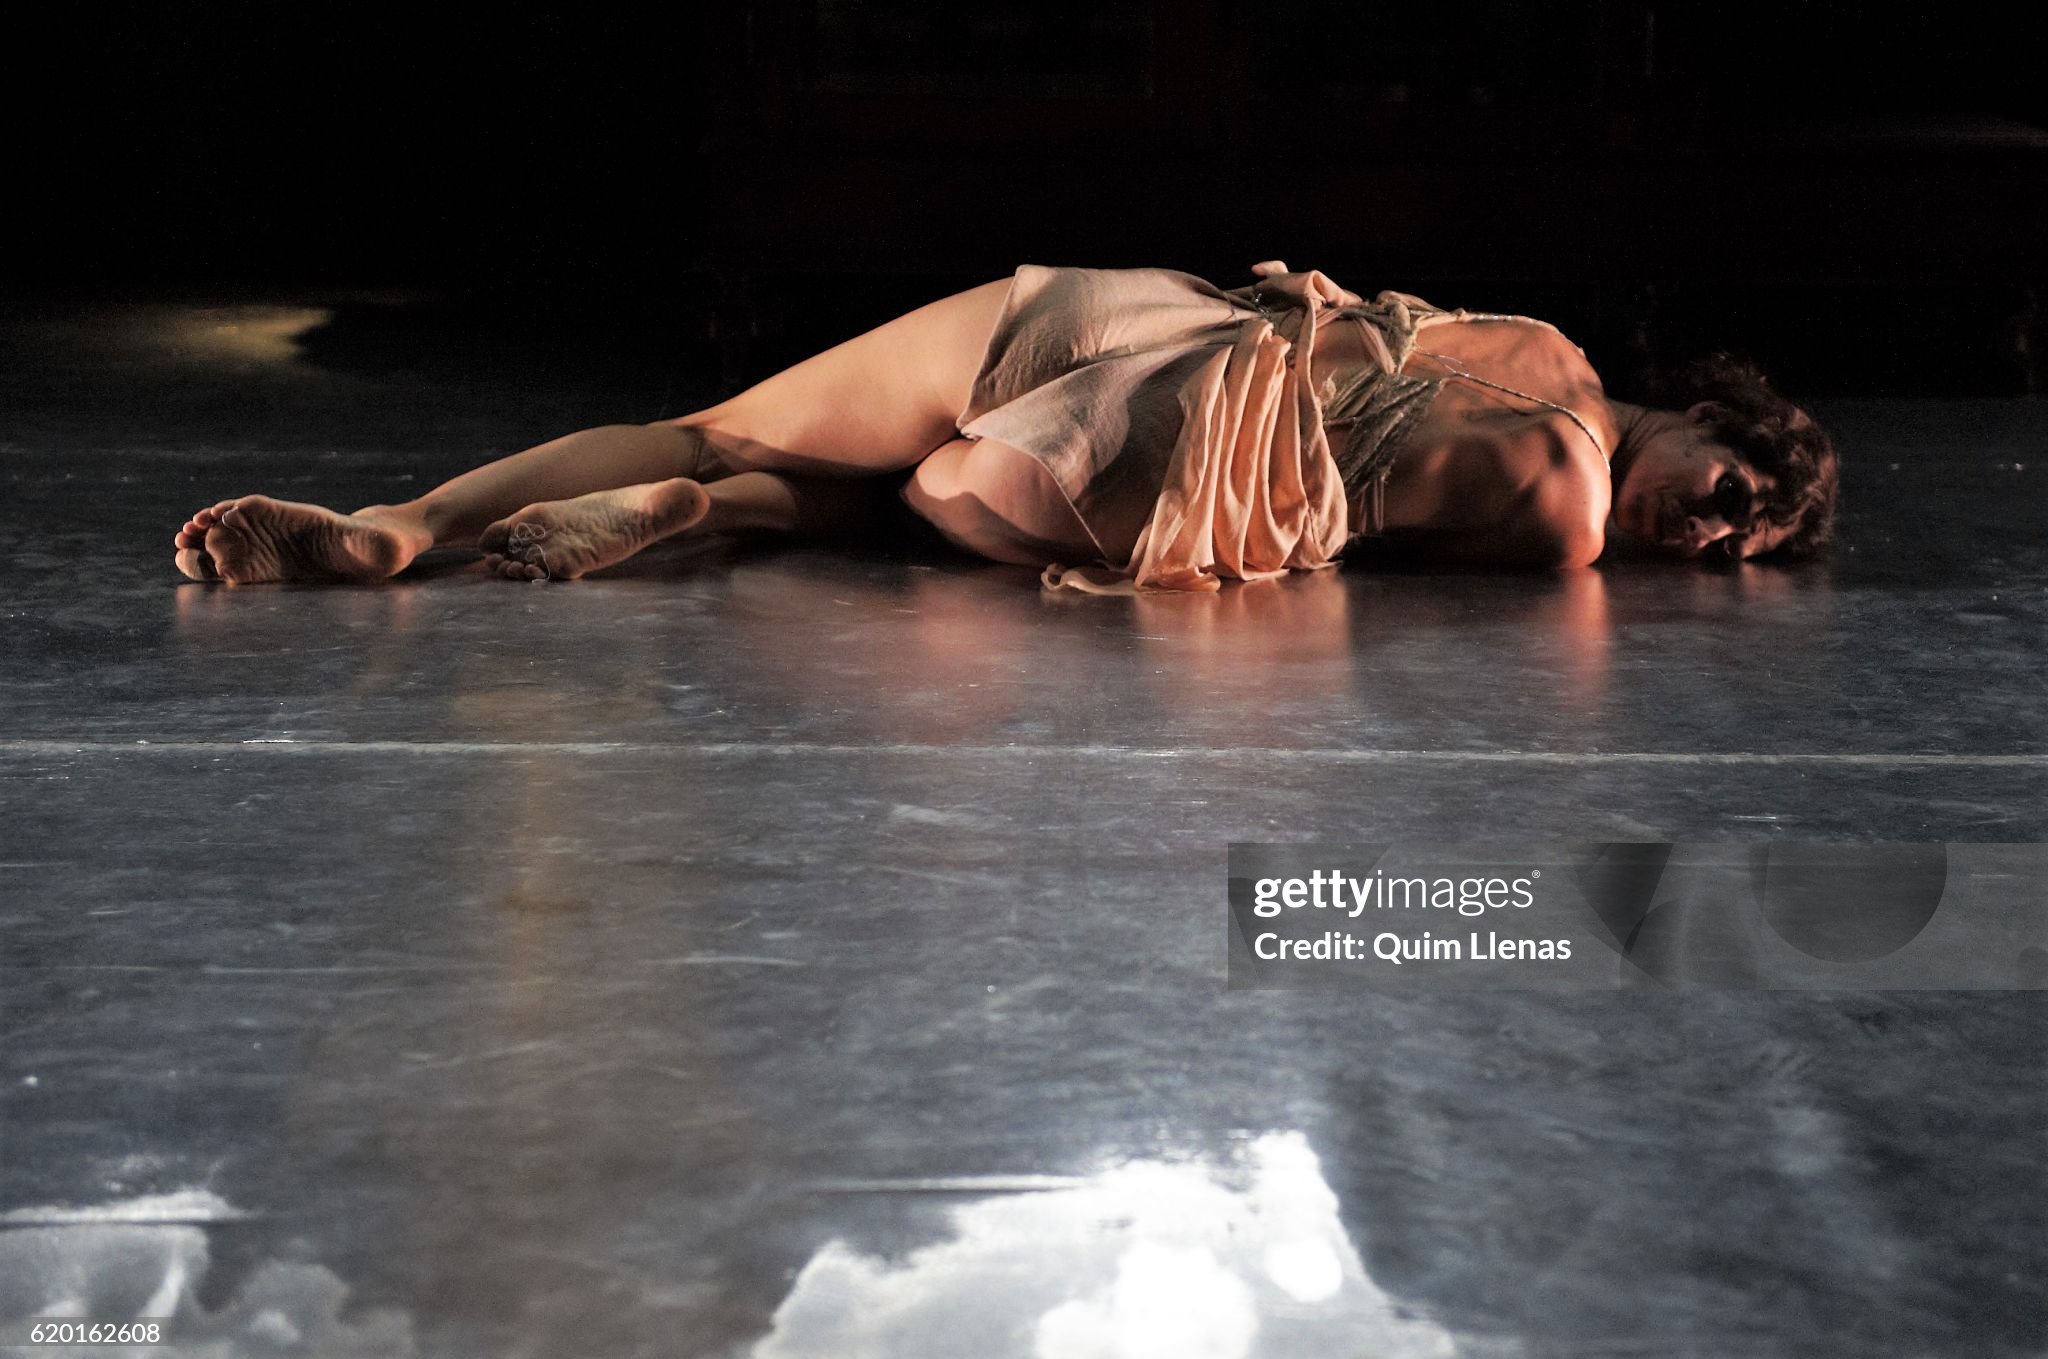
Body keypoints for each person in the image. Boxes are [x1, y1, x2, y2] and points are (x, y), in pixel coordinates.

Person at [171, 263, 1840, 592]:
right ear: (1714, 417)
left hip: (1127, 316)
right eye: (1737, 489)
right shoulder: (1571, 509)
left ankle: (404, 524)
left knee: (716, 427)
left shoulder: (1547, 339)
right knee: (911, 504)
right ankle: (726, 515)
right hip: (1163, 448)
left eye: (1742, 545)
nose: (1712, 530)